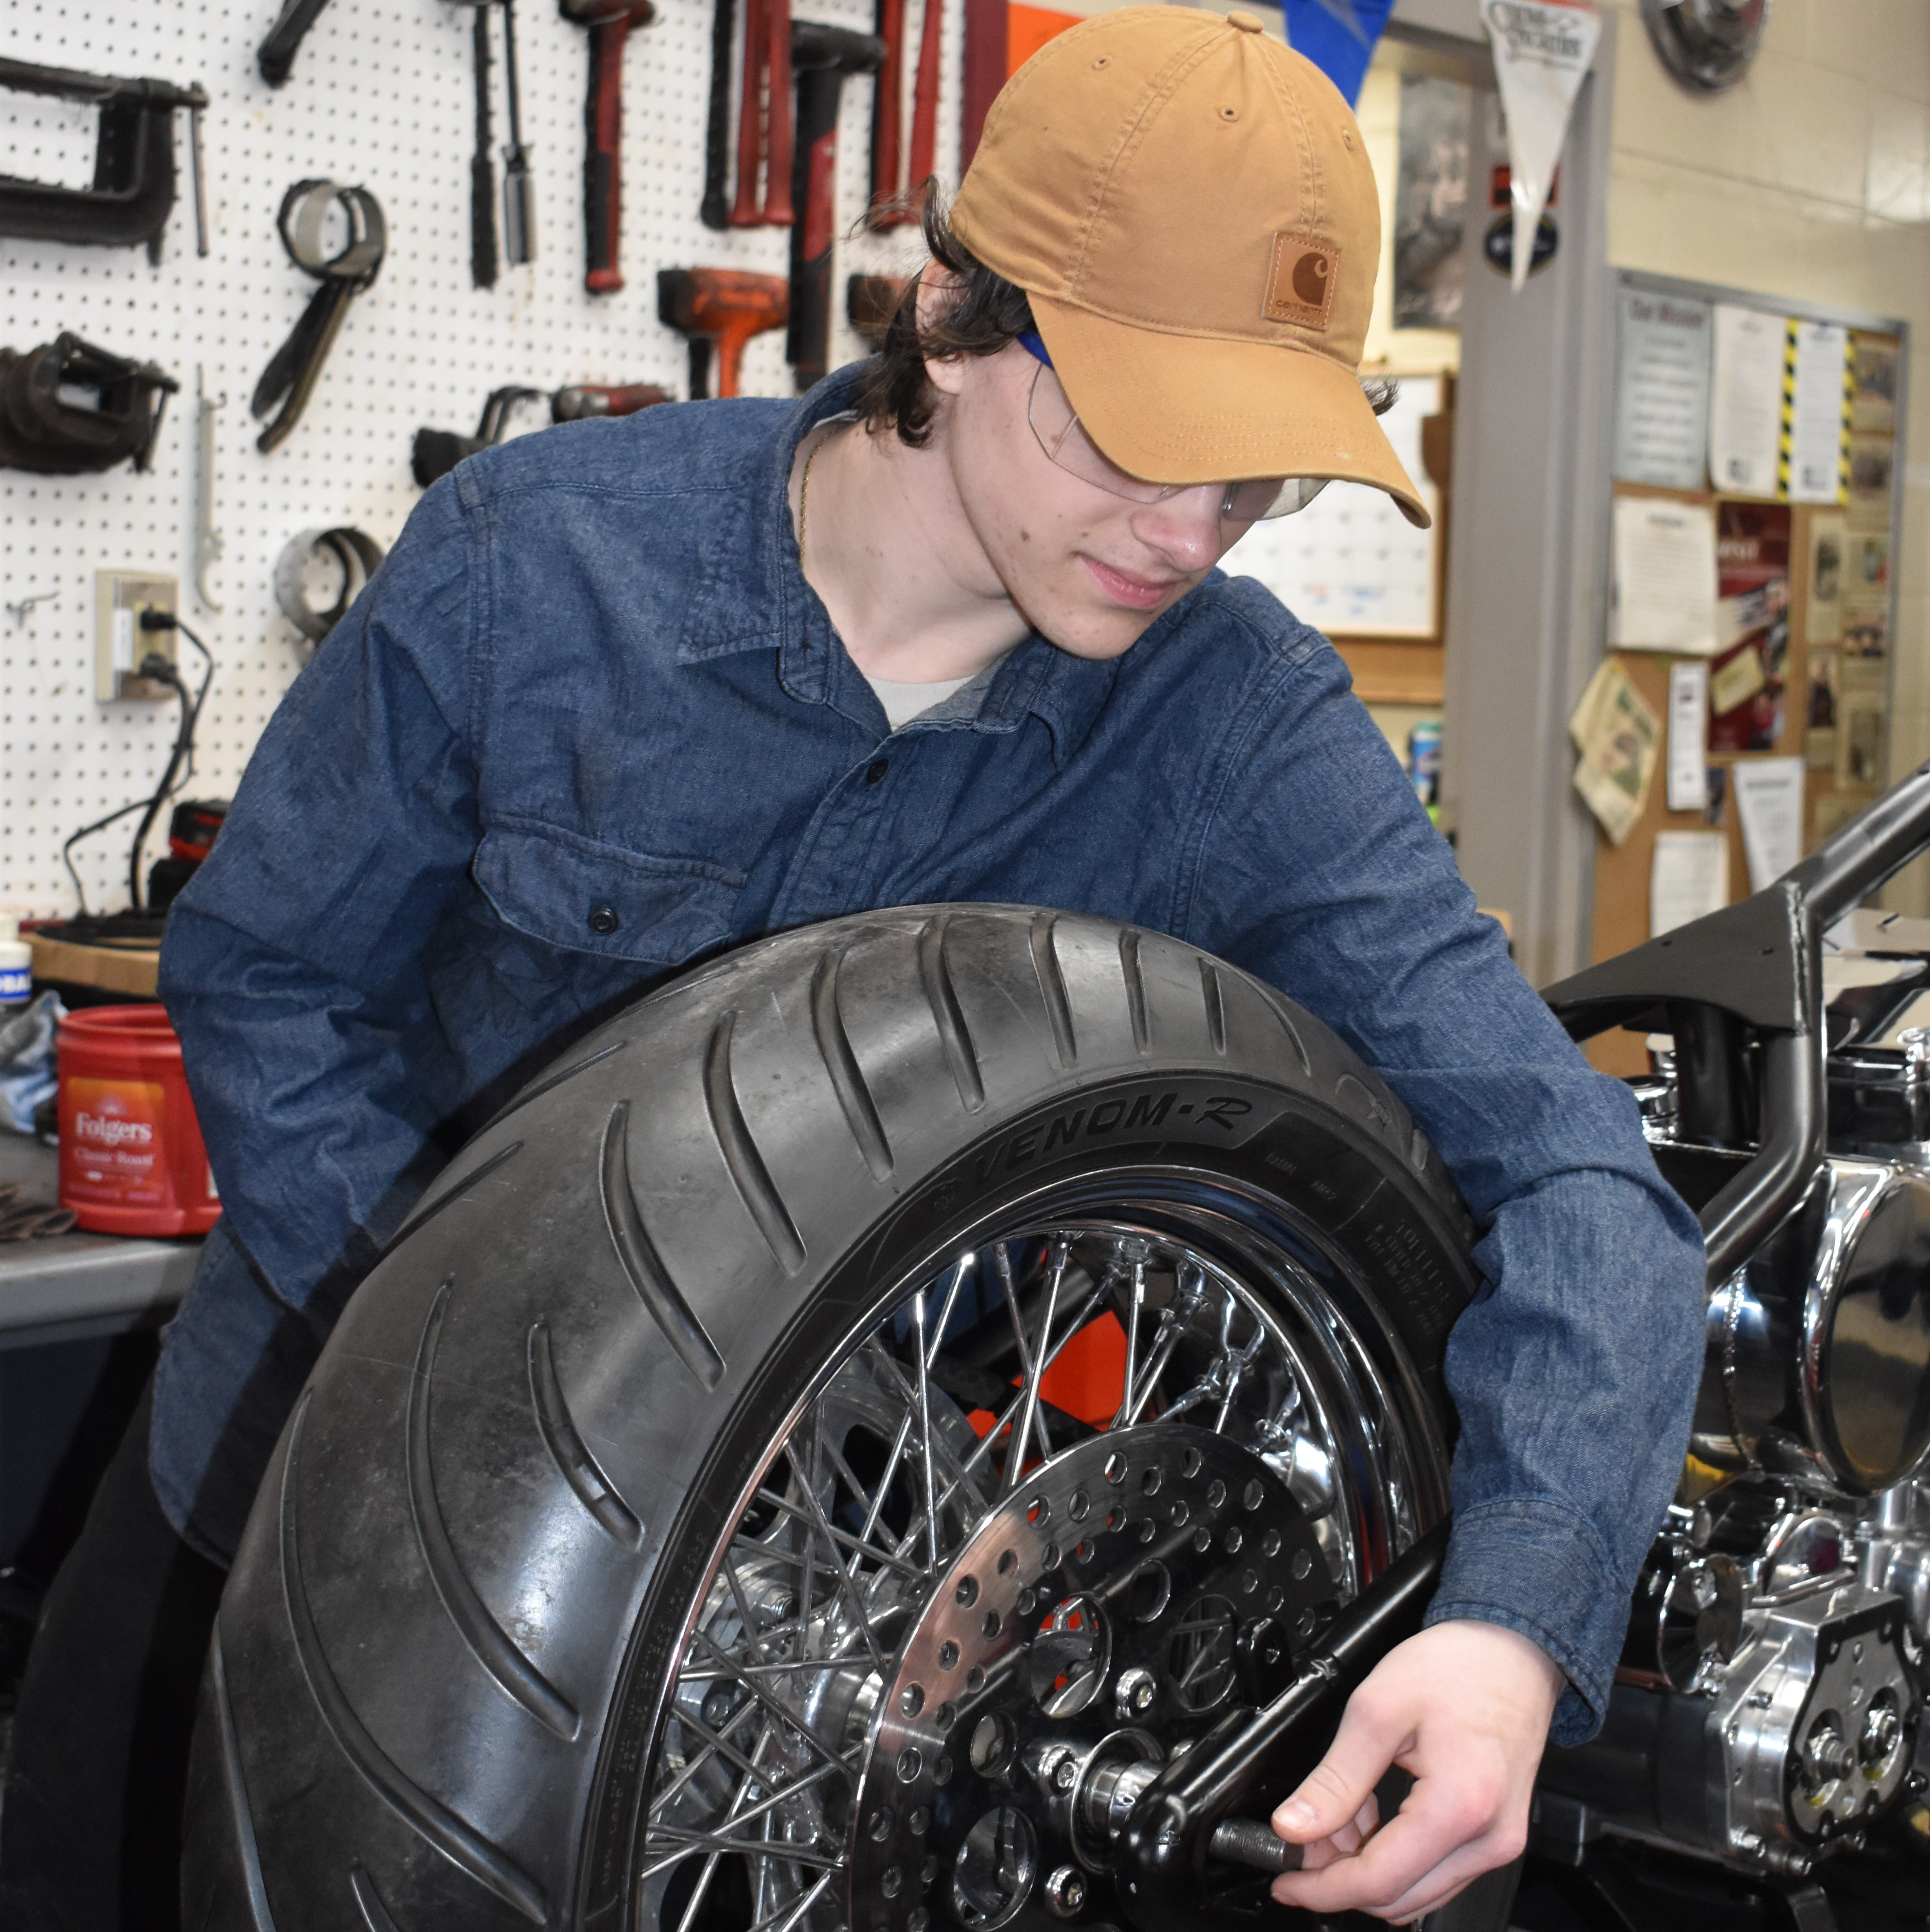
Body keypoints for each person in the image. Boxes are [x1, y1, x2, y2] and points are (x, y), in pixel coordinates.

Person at [0, 10, 1706, 1927]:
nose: (1184, 536)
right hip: (287, 1515)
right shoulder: (537, 567)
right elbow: (271, 982)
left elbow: (1571, 1173)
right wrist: (490, 1400)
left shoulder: (1233, 725)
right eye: (1135, 438)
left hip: (786, 1689)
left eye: (1252, 486)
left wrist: (1513, 1627)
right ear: (952, 320)